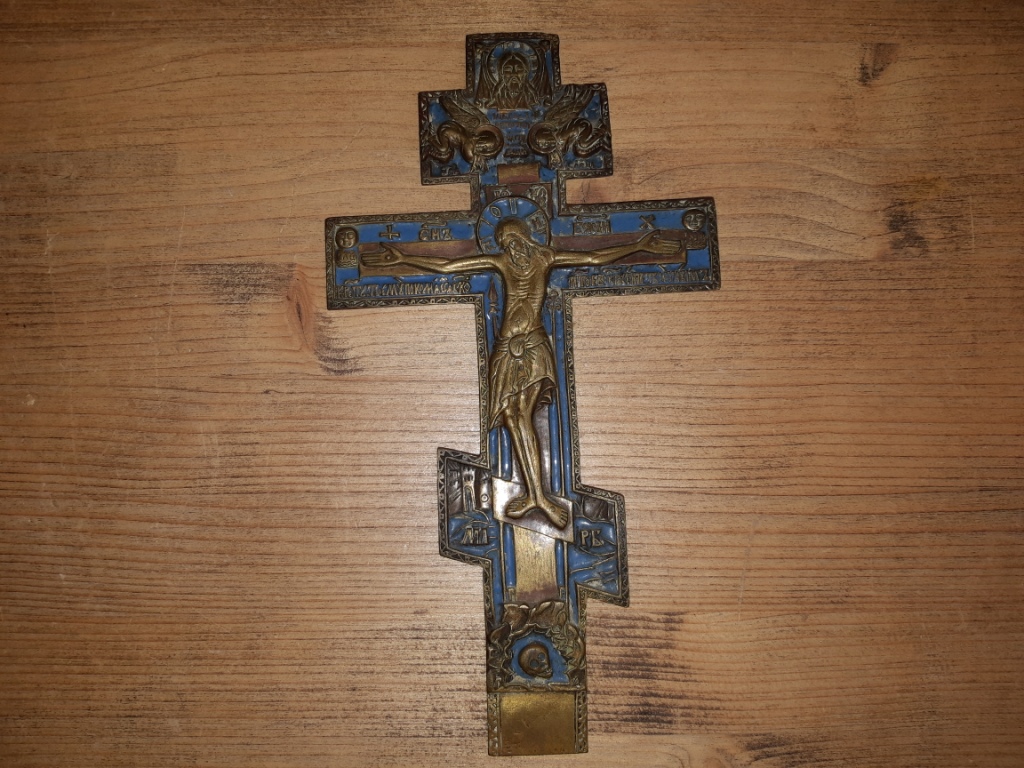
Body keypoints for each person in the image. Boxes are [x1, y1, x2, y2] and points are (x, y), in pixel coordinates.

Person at [363, 219, 680, 528]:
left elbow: (593, 257)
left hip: (531, 346)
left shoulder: (546, 258)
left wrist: (638, 246)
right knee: (512, 417)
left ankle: (540, 497)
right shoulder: (501, 262)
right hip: (505, 349)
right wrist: (404, 258)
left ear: (525, 238)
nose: (511, 249)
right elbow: (449, 266)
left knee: (523, 415)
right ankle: (535, 497)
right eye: (505, 244)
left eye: (514, 241)